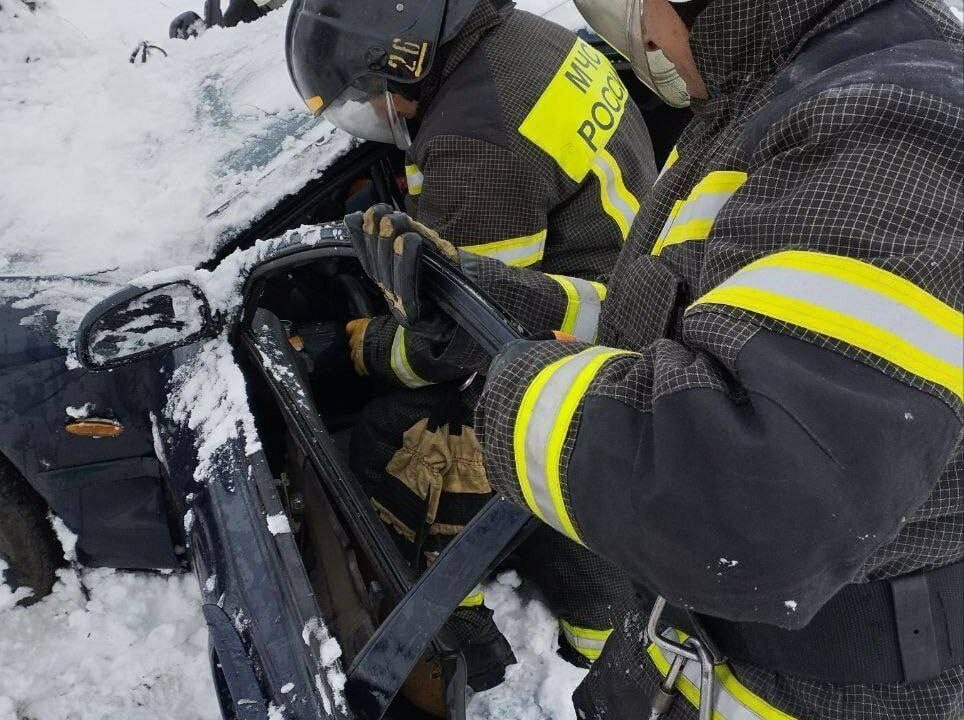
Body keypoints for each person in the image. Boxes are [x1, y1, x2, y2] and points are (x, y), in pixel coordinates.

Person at [341, 0, 964, 717]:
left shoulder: (892, 130)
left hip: (800, 688)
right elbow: (682, 322)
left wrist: (512, 384)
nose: (634, 39)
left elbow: (745, 508)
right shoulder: (777, 90)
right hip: (693, 651)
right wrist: (487, 307)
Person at [285, 0, 658, 700]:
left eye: (369, 88)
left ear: (407, 55)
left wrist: (360, 348)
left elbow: (465, 340)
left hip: (585, 336)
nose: (371, 106)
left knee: (401, 438)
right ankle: (597, 618)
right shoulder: (517, 37)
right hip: (629, 282)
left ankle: (551, 633)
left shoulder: (473, 143)